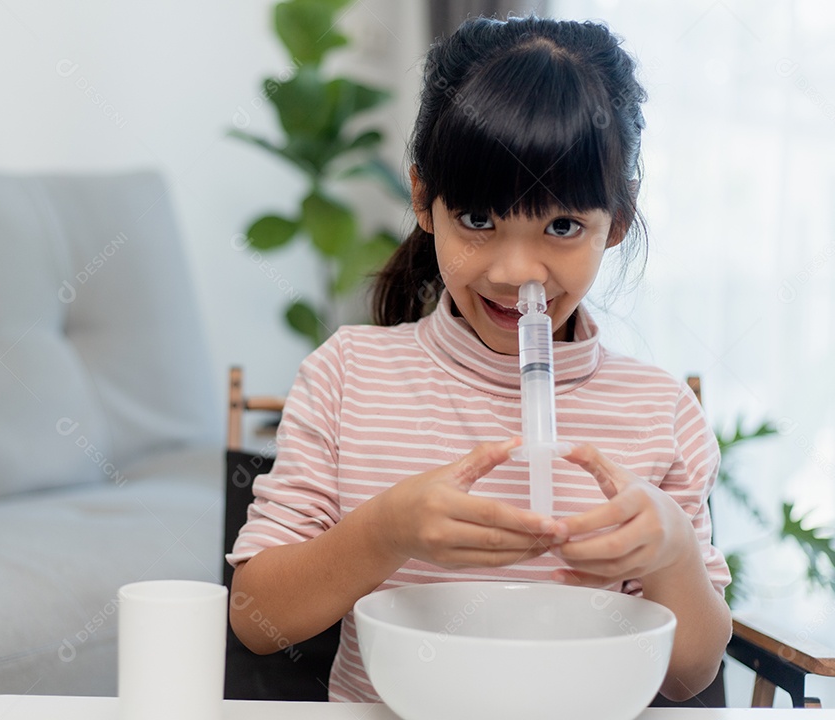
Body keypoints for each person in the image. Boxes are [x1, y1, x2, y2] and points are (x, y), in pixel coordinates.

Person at [227, 15, 731, 704]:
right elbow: (258, 621)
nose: (516, 270)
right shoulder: (348, 375)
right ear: (423, 200)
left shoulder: (658, 411)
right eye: (478, 221)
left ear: (613, 223)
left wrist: (672, 553)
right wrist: (384, 532)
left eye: (561, 226)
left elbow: (690, 674)